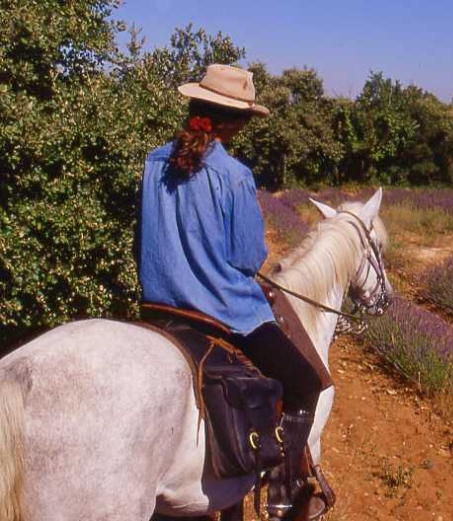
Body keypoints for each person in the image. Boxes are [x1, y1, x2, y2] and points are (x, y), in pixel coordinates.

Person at [136, 64, 331, 518]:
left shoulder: (152, 162)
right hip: (223, 313)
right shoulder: (234, 174)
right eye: (244, 118)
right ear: (235, 121)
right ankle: (285, 490)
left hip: (157, 308)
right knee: (305, 382)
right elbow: (247, 258)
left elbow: (141, 238)